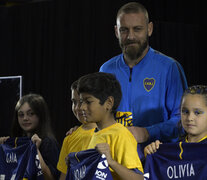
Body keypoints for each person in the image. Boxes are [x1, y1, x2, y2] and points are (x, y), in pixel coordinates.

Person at [99, 2, 188, 144]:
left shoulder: (170, 68)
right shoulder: (106, 70)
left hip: (158, 158)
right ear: (116, 31)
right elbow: (99, 117)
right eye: (124, 30)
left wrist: (148, 132)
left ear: (149, 29)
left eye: (137, 29)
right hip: (116, 157)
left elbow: (183, 120)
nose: (130, 36)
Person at [75, 72, 144, 180]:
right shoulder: (94, 133)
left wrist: (111, 162)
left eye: (88, 102)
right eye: (81, 101)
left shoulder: (121, 135)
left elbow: (139, 178)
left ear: (109, 103)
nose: (82, 107)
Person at [0, 93, 60, 180]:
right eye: (21, 114)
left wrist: (35, 150)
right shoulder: (17, 142)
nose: (25, 118)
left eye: (31, 113)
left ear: (40, 115)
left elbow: (51, 178)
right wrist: (4, 150)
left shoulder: (48, 142)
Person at [144, 85, 207, 155]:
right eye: (185, 112)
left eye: (197, 113)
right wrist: (152, 155)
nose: (189, 118)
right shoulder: (172, 150)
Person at [57, 80, 97, 180]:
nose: (78, 107)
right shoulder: (70, 138)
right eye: (74, 102)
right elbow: (64, 176)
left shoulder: (112, 133)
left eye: (84, 101)